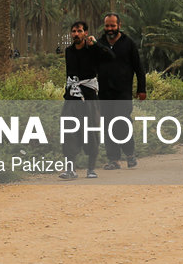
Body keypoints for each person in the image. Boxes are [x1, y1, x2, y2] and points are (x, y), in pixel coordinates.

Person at [59, 21, 114, 180]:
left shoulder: (93, 50)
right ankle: (71, 170)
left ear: (85, 33)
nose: (76, 34)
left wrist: (96, 45)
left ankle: (91, 169)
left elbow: (110, 57)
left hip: (89, 99)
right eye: (74, 31)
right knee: (68, 132)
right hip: (71, 99)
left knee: (91, 132)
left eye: (79, 31)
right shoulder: (69, 51)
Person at [97, 13, 147, 170]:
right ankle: (113, 159)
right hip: (104, 93)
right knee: (107, 125)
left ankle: (129, 153)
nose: (110, 29)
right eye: (107, 26)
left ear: (119, 25)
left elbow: (139, 68)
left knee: (121, 122)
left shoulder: (128, 43)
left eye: (112, 25)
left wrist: (141, 89)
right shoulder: (99, 44)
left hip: (123, 92)